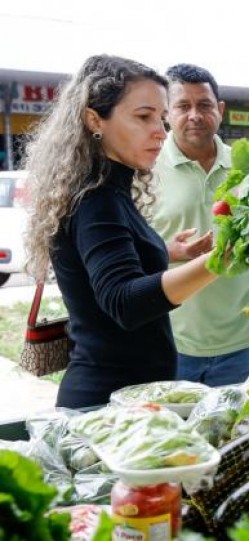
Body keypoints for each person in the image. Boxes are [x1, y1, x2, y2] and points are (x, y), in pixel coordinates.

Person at [23, 55, 221, 408]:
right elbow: (125, 302)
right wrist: (222, 261)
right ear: (94, 119)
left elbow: (107, 260)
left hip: (125, 400)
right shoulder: (96, 199)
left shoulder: (107, 189)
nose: (161, 130)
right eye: (143, 117)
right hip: (106, 408)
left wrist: (167, 251)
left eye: (161, 118)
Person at [150, 63, 249, 386]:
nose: (194, 114)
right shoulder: (144, 167)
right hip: (169, 344)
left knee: (235, 436)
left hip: (241, 344)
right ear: (166, 113)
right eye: (183, 106)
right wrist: (167, 252)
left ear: (220, 110)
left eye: (205, 105)